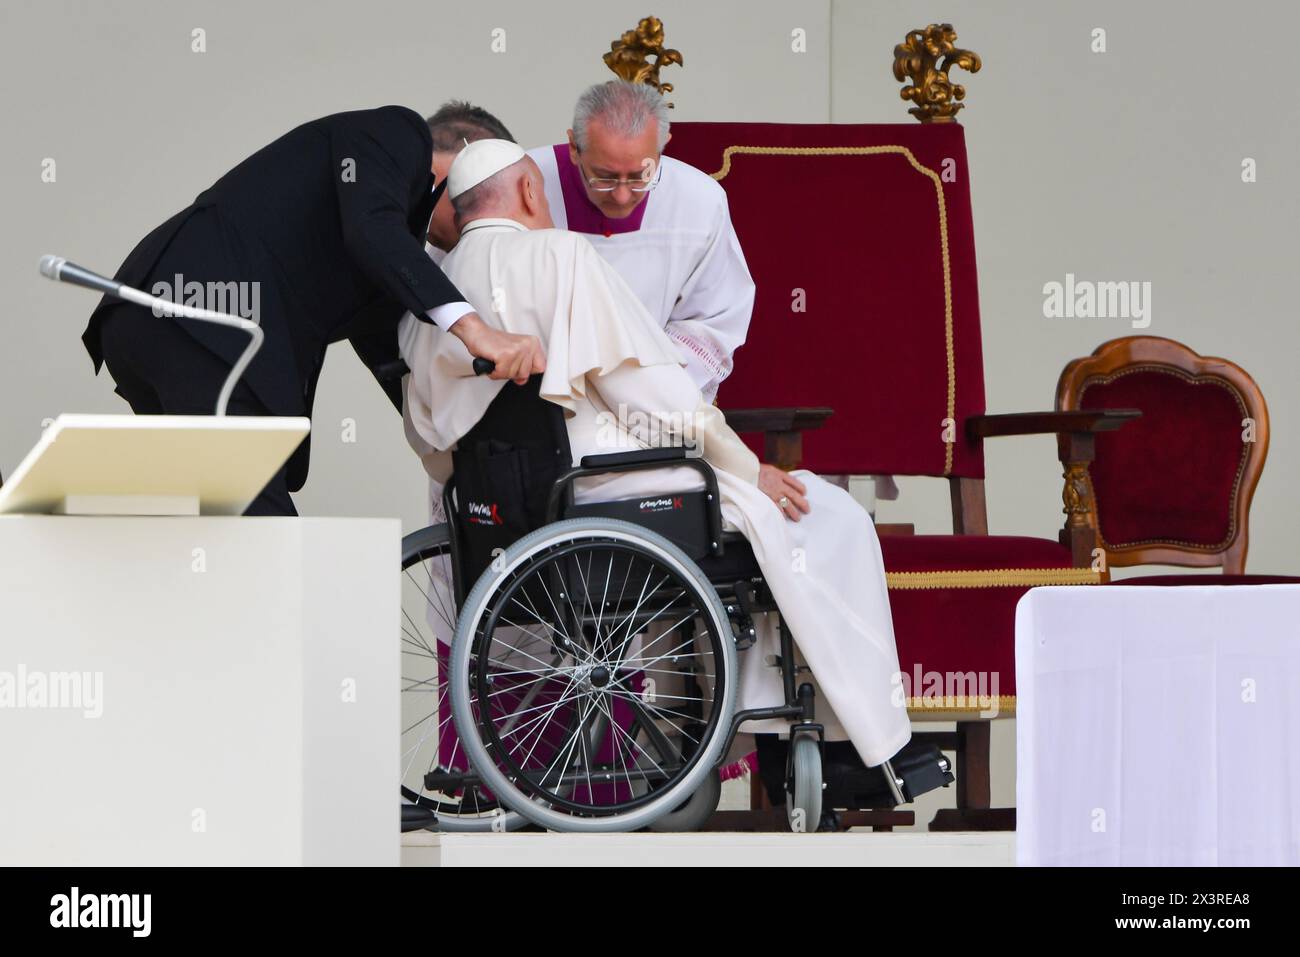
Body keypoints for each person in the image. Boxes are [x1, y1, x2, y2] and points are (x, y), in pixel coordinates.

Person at [402, 139, 914, 770]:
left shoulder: (432, 294)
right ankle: (866, 736)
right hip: (607, 488)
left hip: (502, 509)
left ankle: (756, 725)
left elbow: (430, 440)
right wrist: (746, 467)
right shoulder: (560, 256)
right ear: (532, 192)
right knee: (826, 517)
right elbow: (654, 398)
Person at [81, 103, 545, 516]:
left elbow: (393, 362)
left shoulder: (386, 246)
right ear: (468, 163)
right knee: (261, 526)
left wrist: (470, 449)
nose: (478, 227)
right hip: (198, 316)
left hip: (162, 327)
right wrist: (474, 328)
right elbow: (370, 231)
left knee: (214, 517)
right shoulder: (394, 133)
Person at [528, 80, 754, 402]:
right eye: (604, 177)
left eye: (639, 177)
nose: (621, 197)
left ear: (663, 147)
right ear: (574, 147)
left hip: (653, 406)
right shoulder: (523, 186)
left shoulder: (699, 200)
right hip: (544, 398)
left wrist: (638, 387)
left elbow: (716, 318)